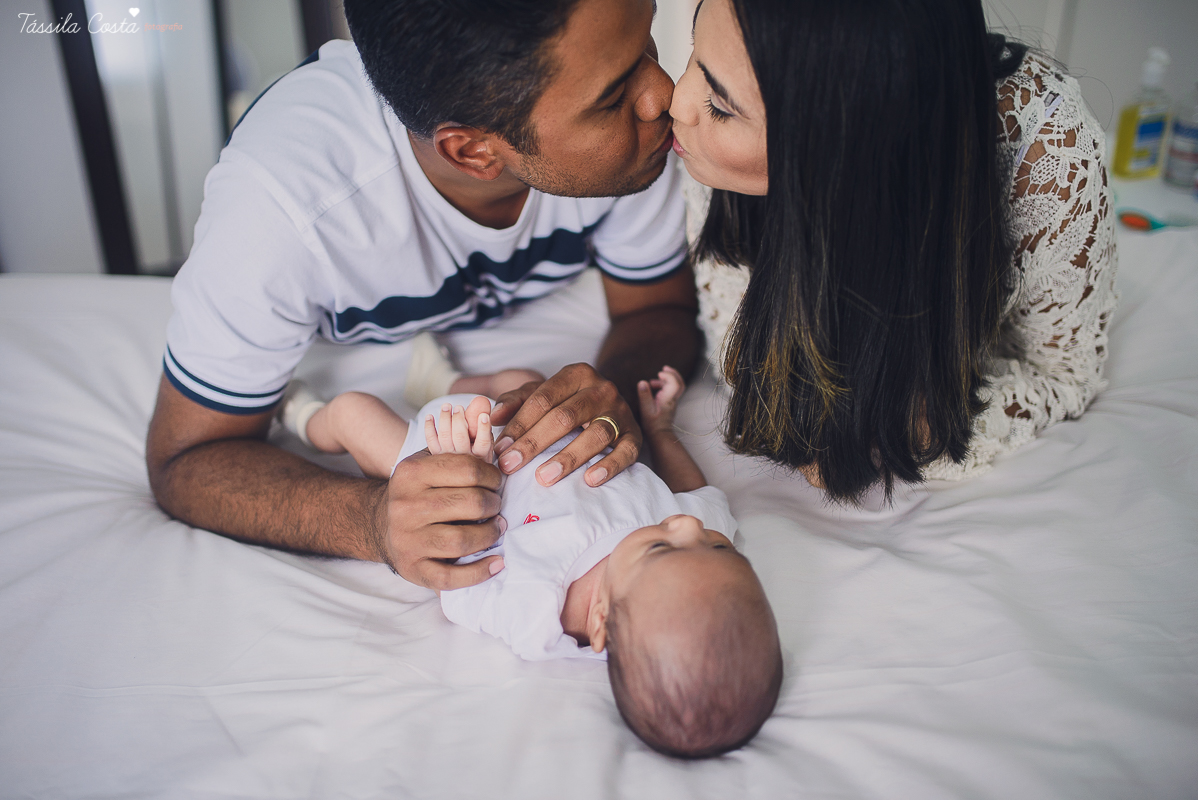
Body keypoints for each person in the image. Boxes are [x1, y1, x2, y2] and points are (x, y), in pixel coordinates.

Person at [145, 0, 703, 593]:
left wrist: (607, 393)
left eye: (647, 42)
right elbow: (185, 460)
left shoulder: (633, 138)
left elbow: (657, 309)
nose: (666, 95)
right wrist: (371, 520)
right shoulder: (282, 212)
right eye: (614, 96)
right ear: (472, 151)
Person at [669, 0, 1118, 502]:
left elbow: (1064, 375)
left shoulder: (1045, 157)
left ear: (850, 140)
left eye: (720, 106)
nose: (677, 104)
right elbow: (745, 354)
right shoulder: (714, 154)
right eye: (693, 52)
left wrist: (917, 434)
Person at [281, 365, 783, 759]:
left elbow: (460, 583)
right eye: (718, 549)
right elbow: (697, 493)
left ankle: (301, 415)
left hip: (444, 469)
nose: (687, 528)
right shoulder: (695, 538)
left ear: (602, 620)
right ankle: (438, 380)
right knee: (522, 380)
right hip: (528, 428)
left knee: (354, 412)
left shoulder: (537, 612)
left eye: (660, 548)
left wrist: (462, 471)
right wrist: (661, 429)